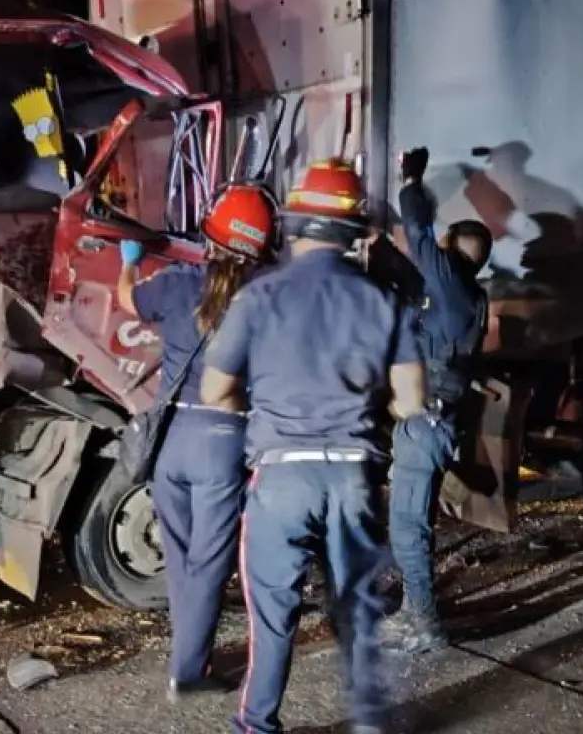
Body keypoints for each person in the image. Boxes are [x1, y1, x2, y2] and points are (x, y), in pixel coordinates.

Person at [199, 159, 427, 734]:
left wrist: (258, 415)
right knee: (358, 611)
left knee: (272, 617)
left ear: (294, 225)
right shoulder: (383, 302)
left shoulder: (257, 298)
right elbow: (412, 400)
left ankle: (257, 724)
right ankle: (370, 723)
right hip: (353, 479)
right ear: (353, 231)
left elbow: (215, 389)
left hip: (280, 478)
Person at [115, 183, 278, 702]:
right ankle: (187, 674)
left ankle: (186, 662)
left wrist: (129, 263)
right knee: (208, 562)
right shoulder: (266, 296)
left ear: (211, 236)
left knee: (184, 559)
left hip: (171, 443)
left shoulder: (178, 283)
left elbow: (127, 301)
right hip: (224, 442)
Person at [380, 147, 492, 654]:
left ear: (455, 255)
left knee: (407, 522)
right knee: (410, 519)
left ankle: (423, 621)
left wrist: (411, 179)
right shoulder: (468, 296)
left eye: (445, 250)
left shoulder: (451, 286)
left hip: (426, 424)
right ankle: (414, 610)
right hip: (436, 419)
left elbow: (421, 237)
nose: (435, 255)